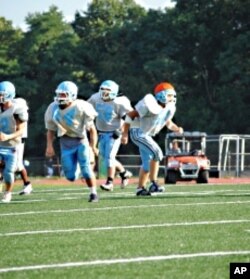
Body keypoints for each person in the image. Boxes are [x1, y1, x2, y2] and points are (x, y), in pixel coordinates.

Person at [121, 82, 183, 196]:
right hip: (138, 132)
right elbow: (130, 115)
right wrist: (125, 134)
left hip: (146, 135)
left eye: (173, 96)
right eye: (169, 95)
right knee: (158, 154)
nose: (172, 98)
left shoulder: (168, 108)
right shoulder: (149, 105)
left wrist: (177, 129)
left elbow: (168, 122)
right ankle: (154, 183)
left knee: (146, 165)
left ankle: (140, 189)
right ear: (161, 95)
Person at [44, 81, 99, 202]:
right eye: (59, 94)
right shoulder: (52, 107)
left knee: (86, 169)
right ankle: (78, 168)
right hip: (65, 142)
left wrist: (93, 146)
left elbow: (92, 129)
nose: (60, 97)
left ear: (72, 95)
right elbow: (50, 130)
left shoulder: (81, 106)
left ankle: (93, 193)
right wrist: (49, 146)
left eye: (64, 95)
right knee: (70, 176)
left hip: (81, 141)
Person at [88, 80, 133, 191]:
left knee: (109, 158)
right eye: (102, 90)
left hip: (114, 133)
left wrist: (123, 133)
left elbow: (129, 118)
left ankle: (110, 182)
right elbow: (86, 108)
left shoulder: (120, 102)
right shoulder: (95, 98)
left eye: (107, 91)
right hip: (101, 133)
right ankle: (124, 173)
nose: (104, 93)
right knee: (104, 157)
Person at [0, 81, 29, 203]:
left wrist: (8, 136)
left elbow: (21, 131)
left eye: (2, 94)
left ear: (9, 95)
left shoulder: (17, 109)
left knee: (9, 172)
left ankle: (8, 193)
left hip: (12, 145)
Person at [15, 109, 33, 195]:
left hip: (17, 139)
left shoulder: (17, 110)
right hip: (5, 139)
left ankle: (27, 184)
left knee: (18, 165)